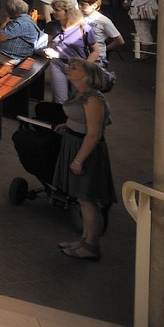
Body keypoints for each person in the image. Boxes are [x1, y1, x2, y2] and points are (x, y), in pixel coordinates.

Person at [55, 58, 115, 261]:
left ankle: (92, 247)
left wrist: (79, 160)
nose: (68, 69)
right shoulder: (80, 94)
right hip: (75, 143)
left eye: (74, 67)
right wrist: (68, 124)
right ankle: (84, 240)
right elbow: (80, 118)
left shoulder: (93, 98)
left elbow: (94, 134)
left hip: (87, 150)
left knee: (89, 200)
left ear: (88, 75)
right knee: (82, 198)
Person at [45, 0, 99, 102]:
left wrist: (86, 66)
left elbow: (95, 51)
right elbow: (50, 43)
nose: (54, 12)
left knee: (77, 98)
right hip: (58, 64)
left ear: (67, 12)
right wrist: (49, 51)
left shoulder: (84, 28)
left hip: (78, 66)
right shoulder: (52, 26)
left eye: (57, 10)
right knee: (59, 99)